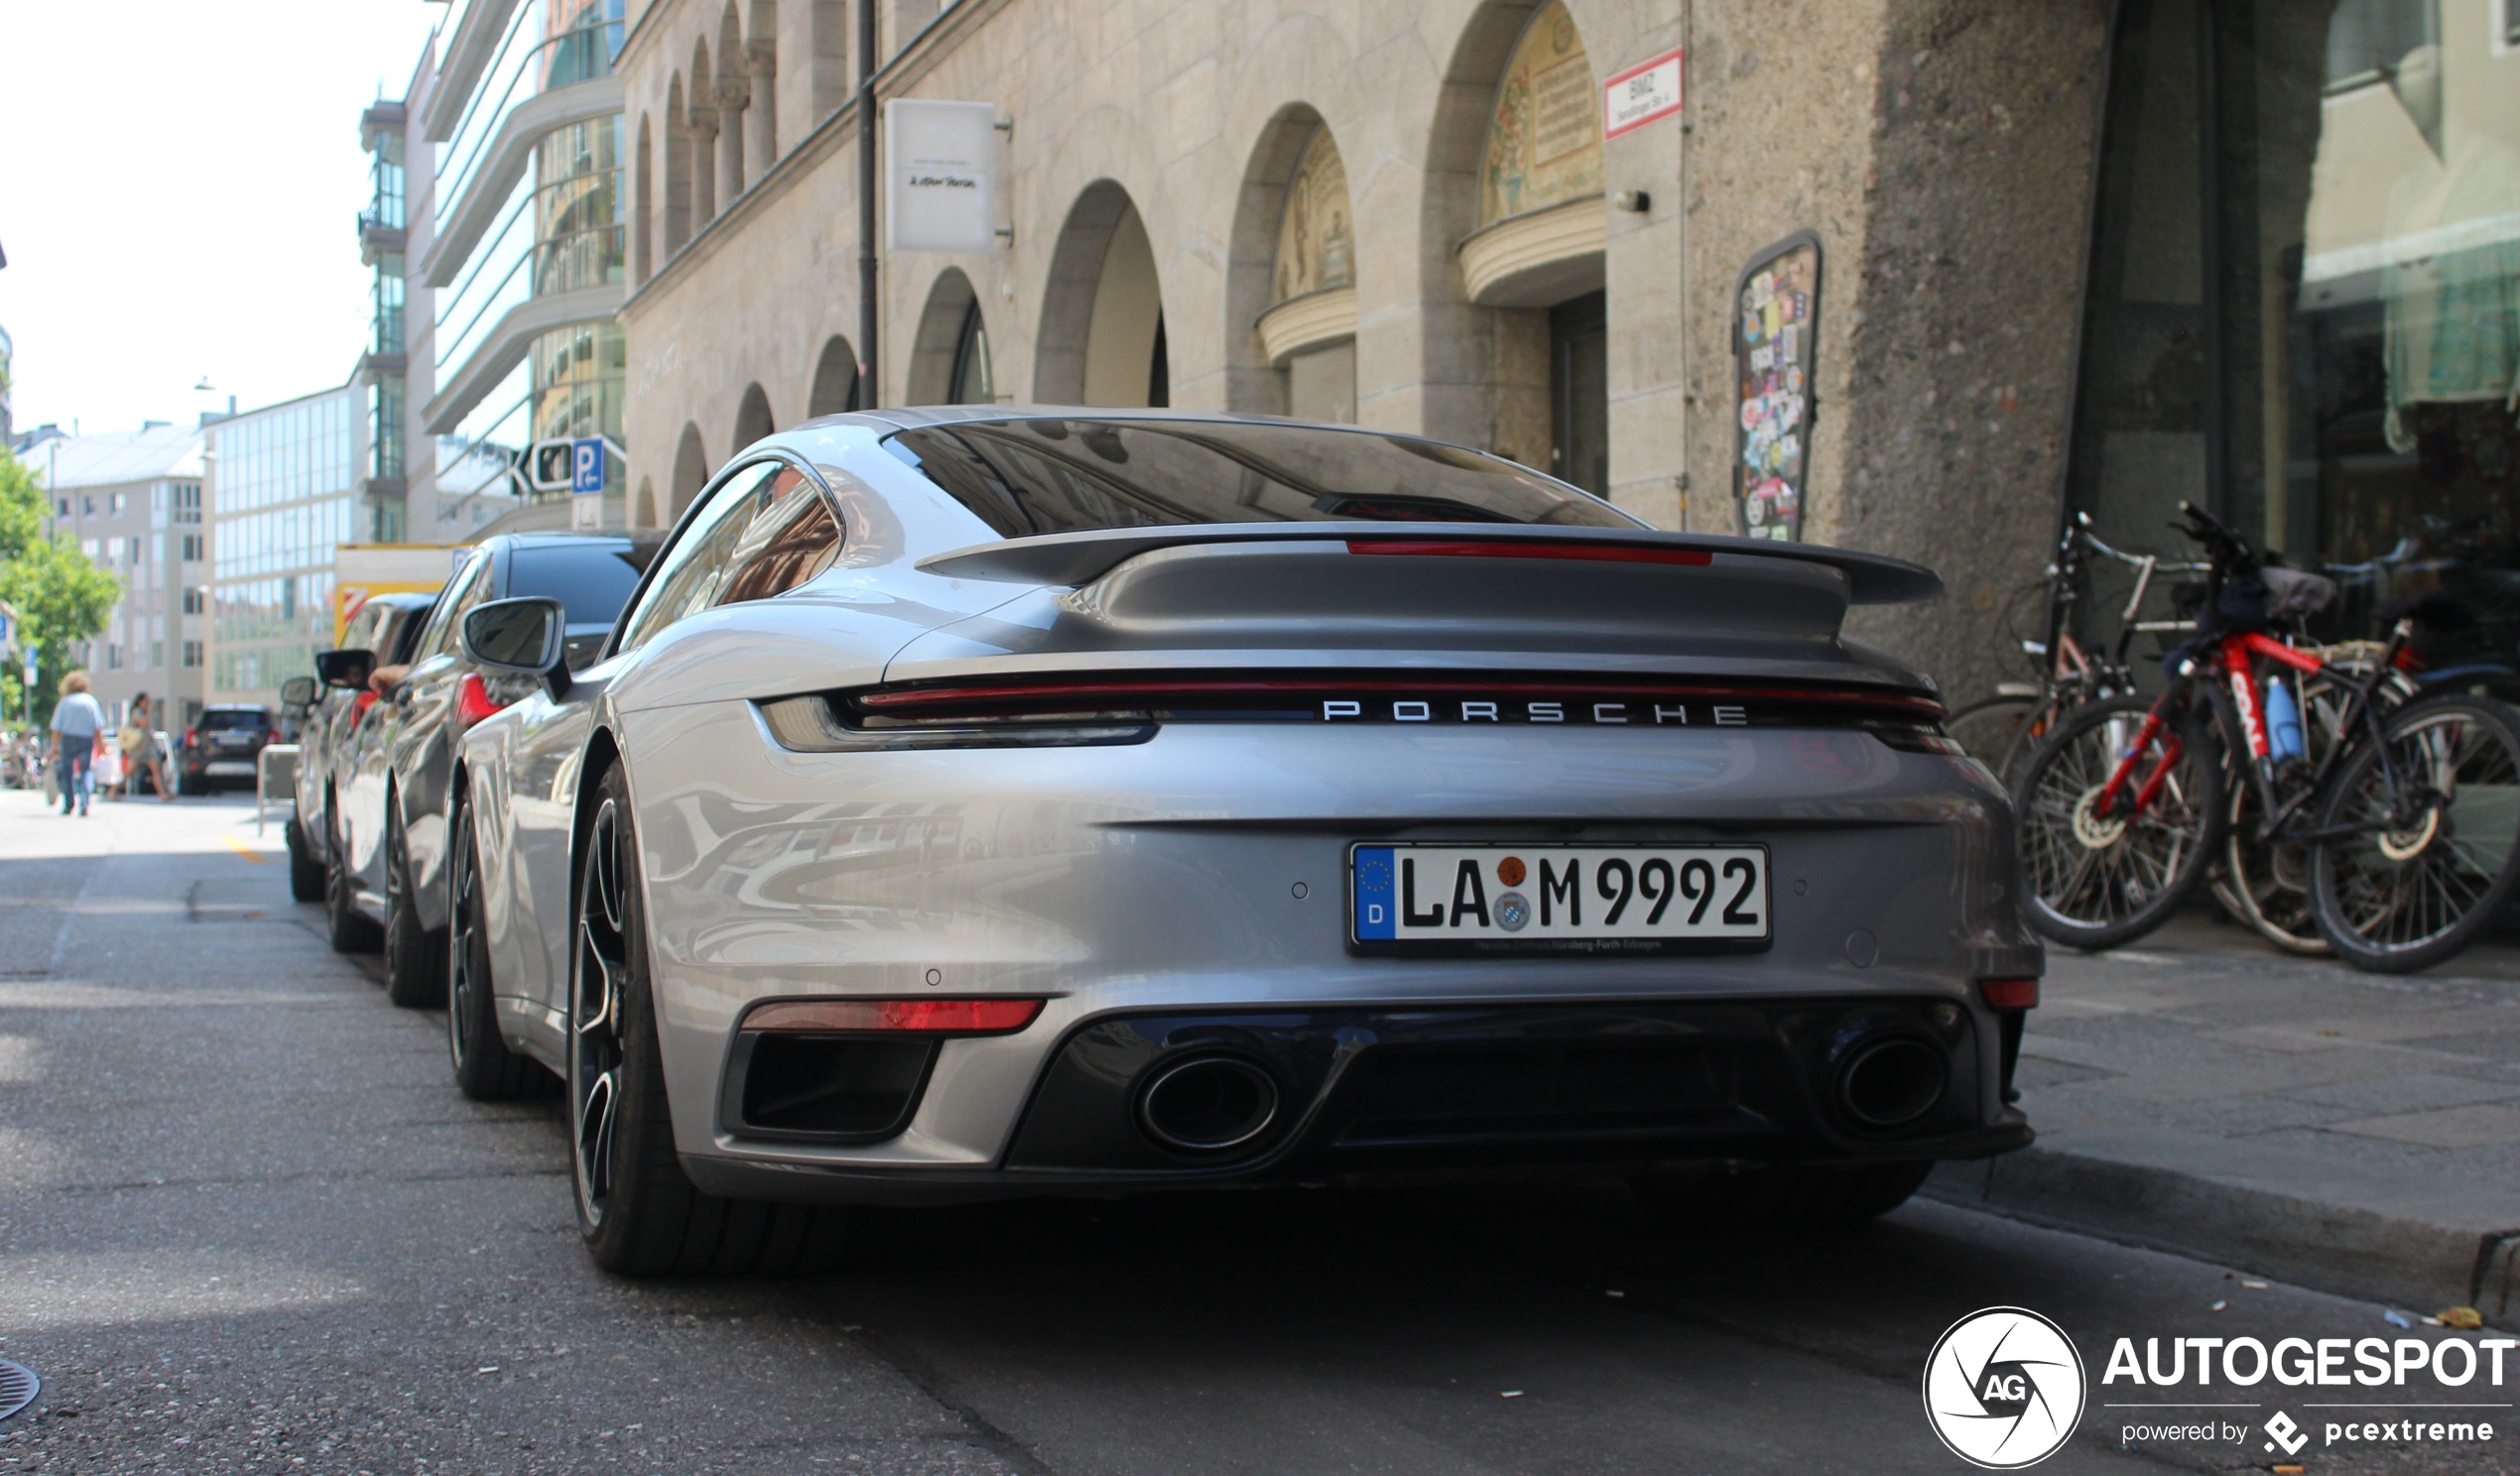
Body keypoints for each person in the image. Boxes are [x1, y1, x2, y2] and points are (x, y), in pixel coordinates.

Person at [48, 671, 106, 816]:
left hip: (68, 739)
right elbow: (97, 727)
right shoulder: (90, 701)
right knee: (85, 771)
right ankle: (85, 803)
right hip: (86, 740)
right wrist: (103, 746)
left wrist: (53, 748)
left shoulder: (65, 702)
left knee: (68, 773)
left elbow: (56, 728)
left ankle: (69, 805)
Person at [121, 693, 175, 802]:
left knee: (156, 769)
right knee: (130, 771)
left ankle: (163, 793)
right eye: (146, 701)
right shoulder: (137, 713)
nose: (148, 704)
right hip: (139, 748)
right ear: (140, 702)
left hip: (147, 748)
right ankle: (114, 789)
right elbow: (144, 725)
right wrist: (149, 713)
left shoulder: (141, 713)